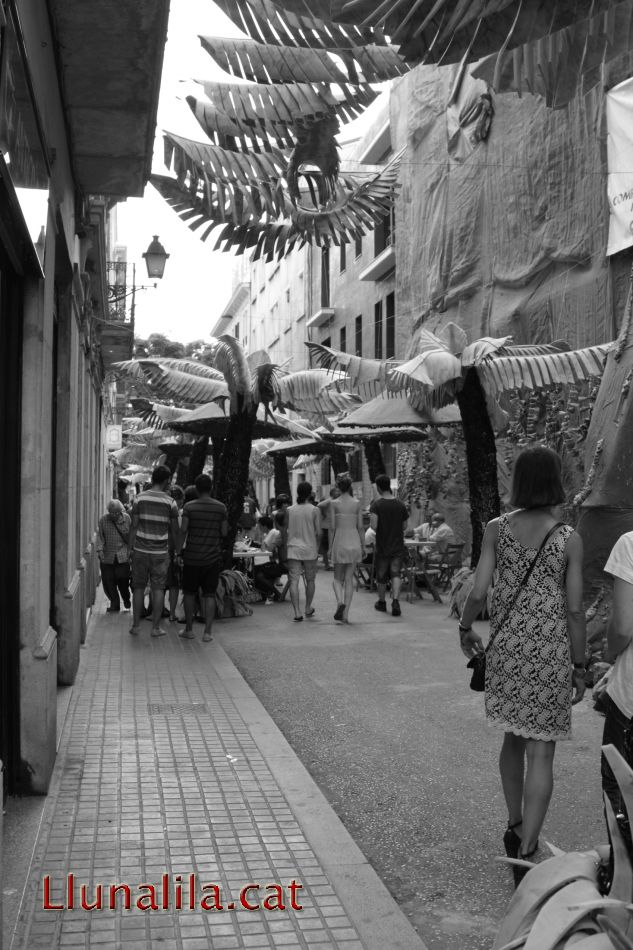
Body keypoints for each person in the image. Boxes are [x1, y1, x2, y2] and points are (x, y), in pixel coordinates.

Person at [457, 445, 586, 884]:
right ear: (555, 482)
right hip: (550, 653)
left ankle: (513, 825)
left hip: (508, 649)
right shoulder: (568, 538)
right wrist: (581, 663)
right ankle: (529, 848)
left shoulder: (497, 529)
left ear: (518, 482)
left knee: (513, 740)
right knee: (542, 750)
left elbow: (478, 590)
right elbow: (573, 610)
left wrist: (465, 627)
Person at [601, 530, 633, 857]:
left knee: (622, 798)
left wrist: (611, 656)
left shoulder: (630, 543)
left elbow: (623, 626)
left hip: (631, 701)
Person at [128, 466, 180, 637]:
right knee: (158, 589)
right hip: (160, 553)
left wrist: (130, 548)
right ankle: (156, 628)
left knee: (138, 587)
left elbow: (134, 526)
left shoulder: (139, 499)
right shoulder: (170, 502)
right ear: (165, 480)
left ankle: (136, 626)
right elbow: (175, 530)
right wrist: (177, 551)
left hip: (140, 550)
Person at [176, 473, 228, 642]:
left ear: (197, 489)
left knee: (190, 593)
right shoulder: (221, 508)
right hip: (212, 559)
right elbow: (224, 532)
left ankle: (189, 630)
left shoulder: (189, 507)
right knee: (209, 594)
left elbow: (183, 530)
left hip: (192, 558)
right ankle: (207, 633)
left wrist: (178, 552)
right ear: (211, 488)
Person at [370, 474, 408, 617]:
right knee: (396, 573)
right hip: (398, 546)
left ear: (379, 487)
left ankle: (382, 602)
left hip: (382, 546)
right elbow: (405, 526)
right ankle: (396, 601)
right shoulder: (400, 504)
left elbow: (374, 526)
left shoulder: (376, 505)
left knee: (381, 576)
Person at [328, 476, 364, 623]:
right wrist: (364, 545)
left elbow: (331, 528)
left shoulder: (334, 503)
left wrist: (330, 548)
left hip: (340, 542)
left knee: (337, 579)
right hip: (354, 541)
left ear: (338, 487)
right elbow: (361, 527)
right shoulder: (357, 503)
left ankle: (339, 602)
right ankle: (346, 614)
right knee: (349, 579)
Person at [286, 482, 321, 621]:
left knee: (293, 580)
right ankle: (307, 607)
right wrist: (317, 547)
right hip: (309, 549)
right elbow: (319, 532)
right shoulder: (314, 510)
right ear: (310, 493)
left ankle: (297, 612)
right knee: (310, 580)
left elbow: (288, 530)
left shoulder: (290, 510)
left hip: (293, 549)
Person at [96, 499, 132, 612]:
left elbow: (130, 536)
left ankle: (126, 598)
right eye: (111, 512)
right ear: (108, 511)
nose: (114, 514)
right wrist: (100, 550)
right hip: (107, 556)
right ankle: (114, 604)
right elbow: (100, 537)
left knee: (123, 580)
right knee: (108, 582)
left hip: (123, 555)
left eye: (116, 512)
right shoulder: (103, 520)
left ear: (120, 510)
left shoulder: (127, 518)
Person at [317, 487, 341, 570]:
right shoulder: (330, 501)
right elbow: (319, 505)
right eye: (336, 491)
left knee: (329, 546)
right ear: (332, 493)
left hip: (332, 527)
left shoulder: (336, 502)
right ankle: (327, 564)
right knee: (326, 547)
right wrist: (331, 498)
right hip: (327, 527)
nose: (338, 493)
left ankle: (329, 563)